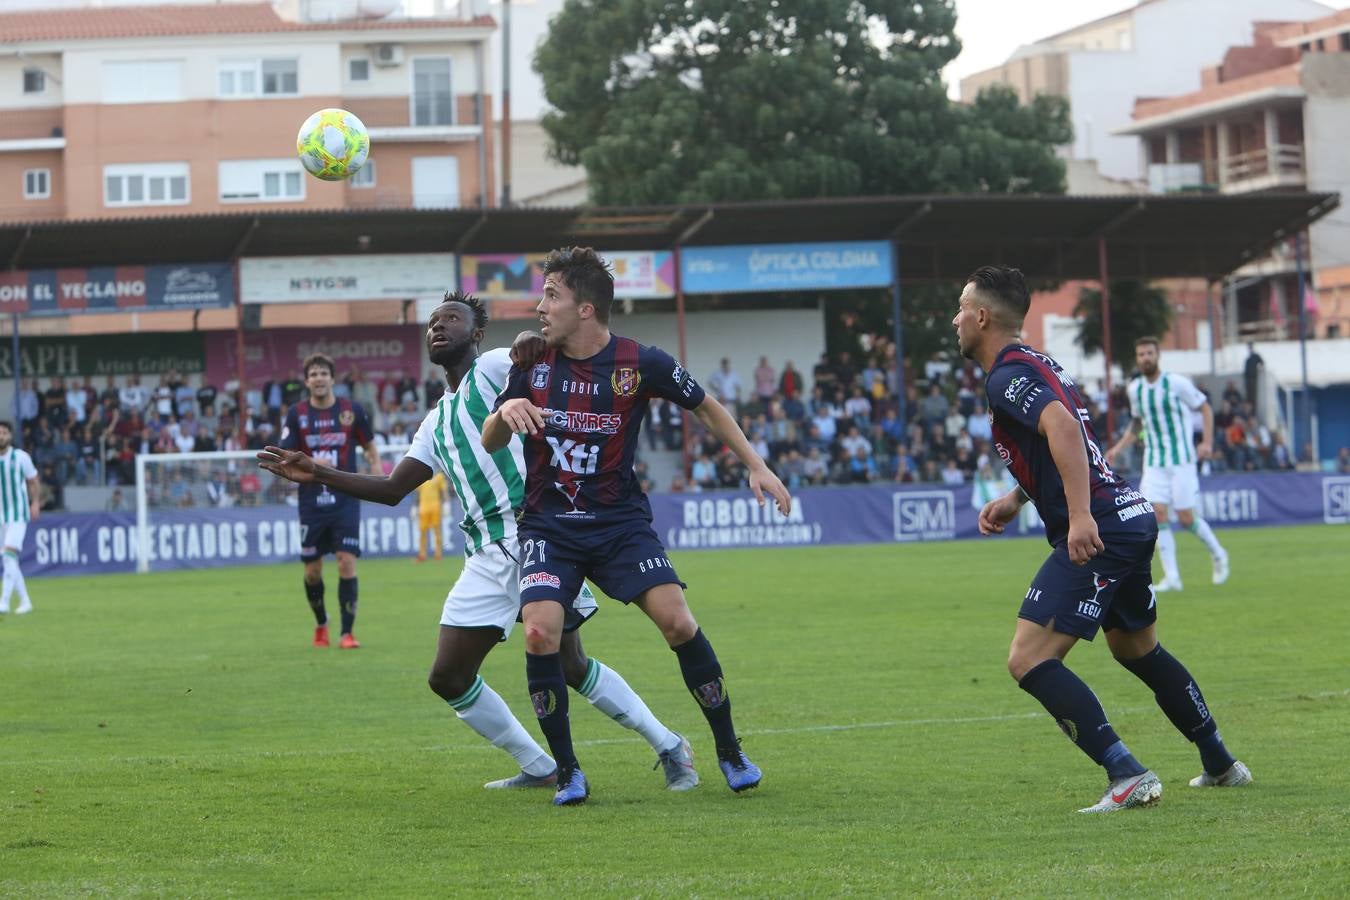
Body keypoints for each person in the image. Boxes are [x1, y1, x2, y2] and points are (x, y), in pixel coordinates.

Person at [259, 292, 697, 792]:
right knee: (449, 676)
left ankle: (669, 746)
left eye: (452, 320)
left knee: (571, 665)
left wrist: (531, 341)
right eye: (432, 322)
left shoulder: (491, 369)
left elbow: (528, 352)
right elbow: (390, 490)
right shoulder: (435, 423)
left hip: (537, 535)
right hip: (488, 554)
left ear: (477, 334)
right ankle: (541, 766)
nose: (438, 328)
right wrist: (316, 471)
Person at [483, 247, 792, 806]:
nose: (540, 305)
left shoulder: (639, 362)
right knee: (538, 631)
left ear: (586, 308)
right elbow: (492, 438)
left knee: (678, 622)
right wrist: (504, 414)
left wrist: (756, 464)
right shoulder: (530, 362)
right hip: (550, 526)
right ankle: (570, 771)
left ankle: (729, 751)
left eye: (552, 294)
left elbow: (706, 406)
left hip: (620, 523)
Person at [956, 266, 1249, 814]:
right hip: (1132, 514)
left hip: (1103, 524)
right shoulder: (1040, 362)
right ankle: (1220, 761)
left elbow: (1064, 430)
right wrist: (1016, 498)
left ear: (981, 316)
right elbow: (1064, 436)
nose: (955, 320)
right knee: (1137, 649)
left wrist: (1080, 517)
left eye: (960, 308)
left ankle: (1126, 772)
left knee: (1028, 659)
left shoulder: (1004, 376)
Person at [1105, 337, 1229, 592]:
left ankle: (1218, 554)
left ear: (1158, 355)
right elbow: (1137, 423)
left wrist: (1206, 442)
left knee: (1185, 517)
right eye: (1141, 354)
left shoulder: (1176, 383)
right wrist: (1117, 448)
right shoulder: (1135, 389)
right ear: (1137, 359)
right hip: (1154, 462)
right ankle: (1172, 577)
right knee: (1157, 516)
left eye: (1150, 353)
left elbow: (1204, 408)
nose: (1146, 358)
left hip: (1181, 460)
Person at [278, 353, 380, 649]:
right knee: (312, 571)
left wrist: (375, 467)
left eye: (324, 373)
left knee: (346, 562)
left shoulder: (351, 411)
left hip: (345, 498)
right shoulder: (296, 414)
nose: (319, 378)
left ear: (332, 379)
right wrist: (310, 461)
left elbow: (369, 445)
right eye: (314, 374)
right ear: (307, 381)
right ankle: (321, 622)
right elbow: (285, 457)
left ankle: (347, 633)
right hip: (311, 502)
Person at [0, 422, 40, 615]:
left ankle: (4, 602)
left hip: (18, 515)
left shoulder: (21, 457)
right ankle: (25, 601)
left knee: (8, 555)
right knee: (10, 560)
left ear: (10, 436)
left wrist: (35, 503)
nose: (1, 436)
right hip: (0, 517)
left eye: (4, 433)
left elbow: (33, 480)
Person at [414, 470, 448, 562]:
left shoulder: (439, 476)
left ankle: (438, 554)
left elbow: (444, 490)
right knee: (422, 532)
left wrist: (446, 504)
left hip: (435, 507)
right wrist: (415, 507)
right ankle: (422, 555)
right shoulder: (421, 476)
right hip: (423, 508)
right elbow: (417, 494)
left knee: (436, 531)